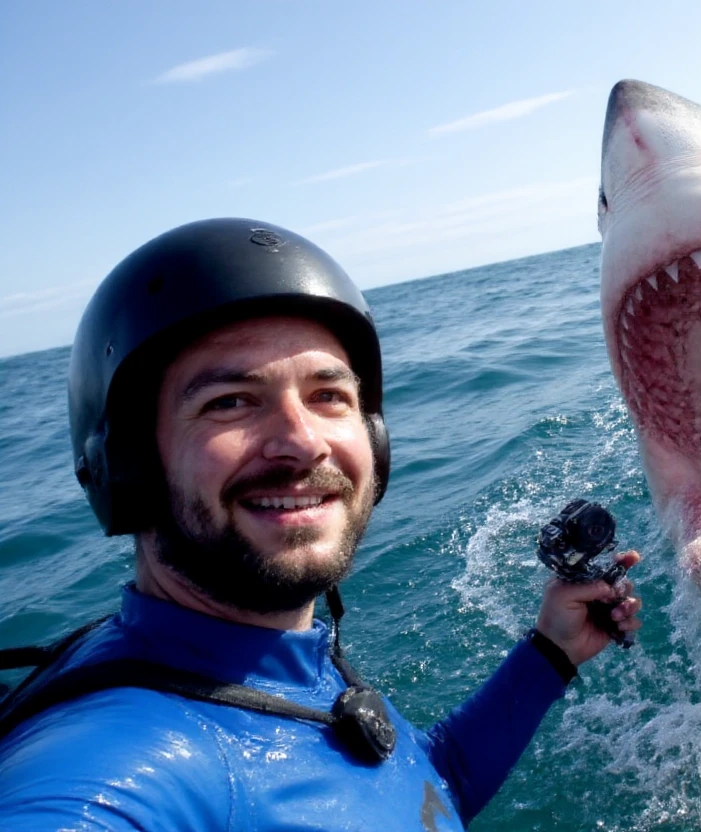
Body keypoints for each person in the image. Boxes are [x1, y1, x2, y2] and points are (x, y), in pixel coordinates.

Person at [0, 218, 642, 831]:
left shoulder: (267, 667)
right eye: (229, 403)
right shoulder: (124, 767)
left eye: (328, 396)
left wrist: (550, 655)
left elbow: (417, 792)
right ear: (128, 470)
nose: (303, 442)